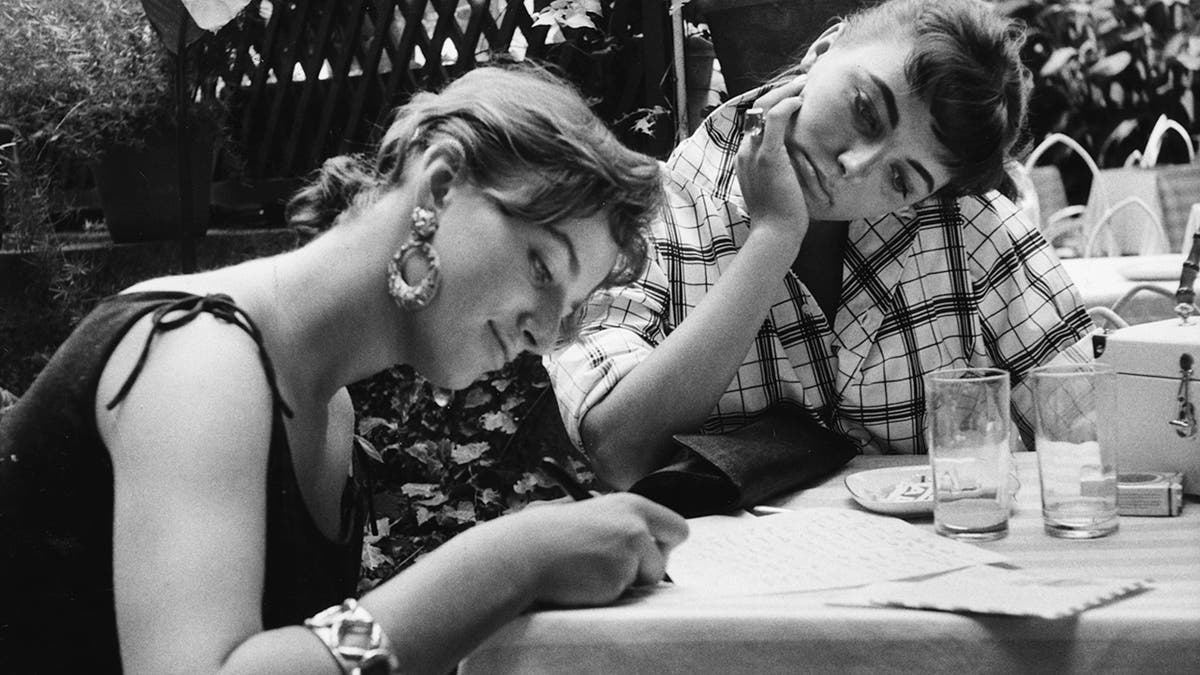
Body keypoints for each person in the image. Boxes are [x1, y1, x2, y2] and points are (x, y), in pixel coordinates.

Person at [0, 65, 687, 674]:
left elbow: (325, 651)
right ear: (440, 186)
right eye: (542, 266)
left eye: (566, 309)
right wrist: (510, 559)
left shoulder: (330, 412)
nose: (543, 331)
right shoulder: (198, 359)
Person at [546, 0, 1094, 489]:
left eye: (901, 180)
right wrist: (772, 239)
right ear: (822, 49)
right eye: (864, 110)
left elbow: (1091, 433)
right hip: (720, 594)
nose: (855, 166)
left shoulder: (972, 228)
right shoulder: (642, 216)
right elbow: (619, 452)